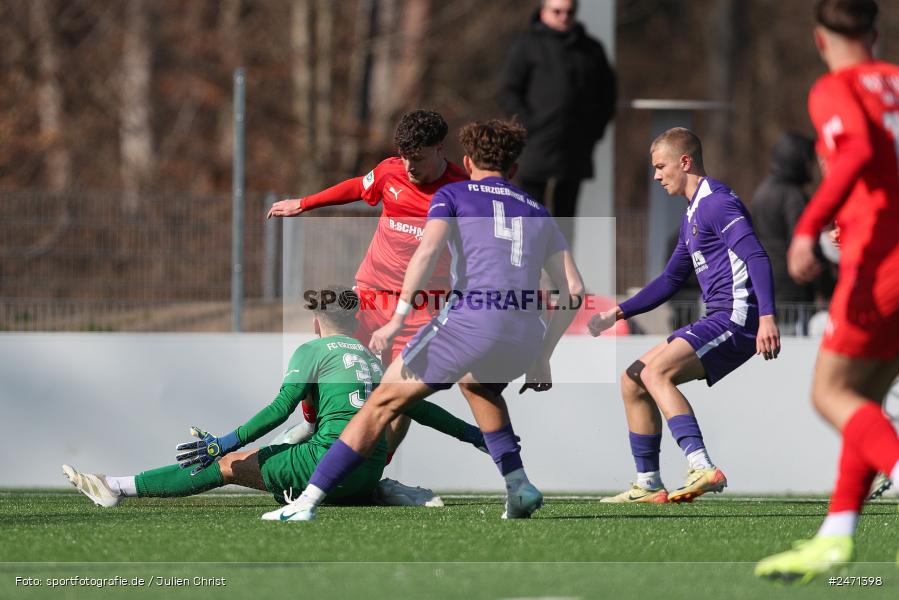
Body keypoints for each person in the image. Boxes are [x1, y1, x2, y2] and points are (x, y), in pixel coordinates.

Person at [261, 118, 585, 522]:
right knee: (478, 386)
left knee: (380, 401)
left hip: (467, 318)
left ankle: (305, 503)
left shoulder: (454, 193)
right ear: (515, 170)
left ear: (465, 160)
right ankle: (518, 485)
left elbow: (427, 253)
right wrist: (543, 356)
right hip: (524, 330)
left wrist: (398, 319)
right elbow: (573, 291)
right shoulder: (538, 210)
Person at [61, 287, 452, 510]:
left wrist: (224, 444)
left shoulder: (312, 352)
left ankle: (115, 486)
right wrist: (479, 437)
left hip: (327, 472)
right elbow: (408, 409)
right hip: (365, 470)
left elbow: (280, 411)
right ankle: (377, 488)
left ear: (317, 323)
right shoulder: (371, 359)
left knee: (228, 465)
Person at [756, 0, 899, 583]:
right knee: (862, 396)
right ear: (876, 31)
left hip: (882, 263)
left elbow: (861, 151)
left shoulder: (835, 86)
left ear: (821, 39)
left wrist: (811, 225)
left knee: (829, 392)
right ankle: (837, 536)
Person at [267, 110, 483, 459]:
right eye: (405, 157)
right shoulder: (390, 171)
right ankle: (310, 421)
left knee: (399, 394)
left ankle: (376, 469)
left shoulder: (461, 191)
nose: (410, 167)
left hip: (420, 306)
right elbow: (358, 186)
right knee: (326, 352)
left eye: (418, 158)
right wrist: (303, 203)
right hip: (368, 293)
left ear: (440, 149)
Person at [589, 127, 780, 504]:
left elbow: (756, 255)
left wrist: (768, 318)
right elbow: (672, 278)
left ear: (685, 162)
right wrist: (619, 312)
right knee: (633, 380)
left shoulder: (716, 203)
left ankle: (702, 465)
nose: (656, 175)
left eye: (661, 166)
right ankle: (647, 483)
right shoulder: (693, 213)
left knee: (655, 373)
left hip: (736, 318)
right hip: (720, 316)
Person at [499, 0, 616, 245]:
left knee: (566, 218)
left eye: (569, 12)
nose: (564, 17)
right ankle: (531, 275)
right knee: (530, 215)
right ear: (543, 12)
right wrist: (527, 126)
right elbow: (510, 92)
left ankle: (561, 279)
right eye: (557, 11)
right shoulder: (526, 46)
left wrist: (593, 130)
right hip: (534, 145)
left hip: (574, 146)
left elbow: (607, 95)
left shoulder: (591, 49)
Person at [750, 132, 818, 332]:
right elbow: (803, 243)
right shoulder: (794, 196)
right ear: (799, 160)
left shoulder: (762, 190)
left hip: (765, 281)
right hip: (792, 287)